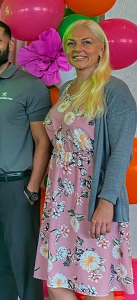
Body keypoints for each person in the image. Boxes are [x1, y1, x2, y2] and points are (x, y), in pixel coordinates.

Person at [34, 20, 136, 299]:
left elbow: (121, 152)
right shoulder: (67, 89)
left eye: (86, 42)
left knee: (93, 285)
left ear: (102, 48)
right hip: (60, 198)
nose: (78, 49)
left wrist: (107, 202)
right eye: (71, 43)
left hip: (93, 198)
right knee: (56, 283)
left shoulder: (115, 90)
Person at [0, 18, 51, 300]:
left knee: (25, 265)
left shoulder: (30, 86)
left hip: (16, 188)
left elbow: (43, 142)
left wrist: (31, 189)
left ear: (10, 45)